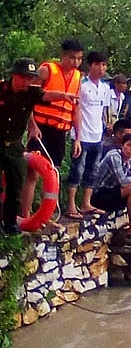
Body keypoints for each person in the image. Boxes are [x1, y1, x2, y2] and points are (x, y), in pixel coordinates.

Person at [1, 58, 78, 234]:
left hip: (13, 145)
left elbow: (46, 95)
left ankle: (10, 223)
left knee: (15, 184)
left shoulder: (30, 93)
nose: (27, 82)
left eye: (30, 78)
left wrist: (64, 96)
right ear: (14, 75)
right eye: (24, 77)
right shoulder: (2, 89)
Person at [21, 39, 84, 219]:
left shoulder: (78, 77)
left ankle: (46, 217)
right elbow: (28, 98)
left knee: (52, 173)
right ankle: (26, 216)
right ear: (63, 56)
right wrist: (32, 125)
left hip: (60, 131)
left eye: (79, 59)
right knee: (33, 173)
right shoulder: (47, 70)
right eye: (72, 58)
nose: (76, 62)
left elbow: (76, 108)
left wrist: (77, 137)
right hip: (41, 127)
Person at [65, 51, 111, 219]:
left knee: (93, 170)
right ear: (90, 65)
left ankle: (86, 203)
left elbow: (104, 111)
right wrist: (76, 134)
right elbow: (75, 109)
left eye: (104, 65)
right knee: (77, 169)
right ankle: (71, 205)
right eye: (98, 64)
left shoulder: (105, 88)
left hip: (97, 135)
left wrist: (106, 127)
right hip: (81, 134)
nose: (101, 68)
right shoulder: (81, 84)